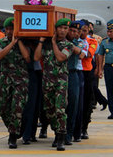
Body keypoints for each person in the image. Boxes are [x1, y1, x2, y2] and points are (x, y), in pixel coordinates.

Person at [34, 18, 75, 151]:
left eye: (65, 28)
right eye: (61, 28)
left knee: (60, 109)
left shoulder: (68, 45)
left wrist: (53, 43)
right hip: (47, 81)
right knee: (49, 110)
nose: (63, 31)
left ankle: (61, 137)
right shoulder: (45, 44)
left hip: (60, 82)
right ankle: (56, 130)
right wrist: (41, 41)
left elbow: (61, 58)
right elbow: (36, 57)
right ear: (56, 29)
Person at [0, 17, 30, 149]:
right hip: (5, 80)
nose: (9, 31)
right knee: (3, 108)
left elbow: (27, 57)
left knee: (17, 107)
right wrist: (12, 43)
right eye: (8, 29)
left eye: (12, 29)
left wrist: (18, 42)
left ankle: (13, 136)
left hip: (21, 80)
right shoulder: (0, 42)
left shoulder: (24, 42)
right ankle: (15, 127)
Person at [65, 21, 85, 145]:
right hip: (59, 74)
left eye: (76, 31)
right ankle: (59, 133)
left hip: (73, 74)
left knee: (73, 105)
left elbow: (81, 53)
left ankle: (69, 134)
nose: (74, 33)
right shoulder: (59, 41)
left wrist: (70, 45)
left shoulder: (79, 42)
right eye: (71, 30)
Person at [79, 21, 97, 140]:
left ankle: (84, 128)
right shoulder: (73, 41)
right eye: (80, 30)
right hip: (75, 71)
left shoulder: (92, 42)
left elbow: (88, 54)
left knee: (87, 101)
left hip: (87, 73)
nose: (82, 33)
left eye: (85, 31)